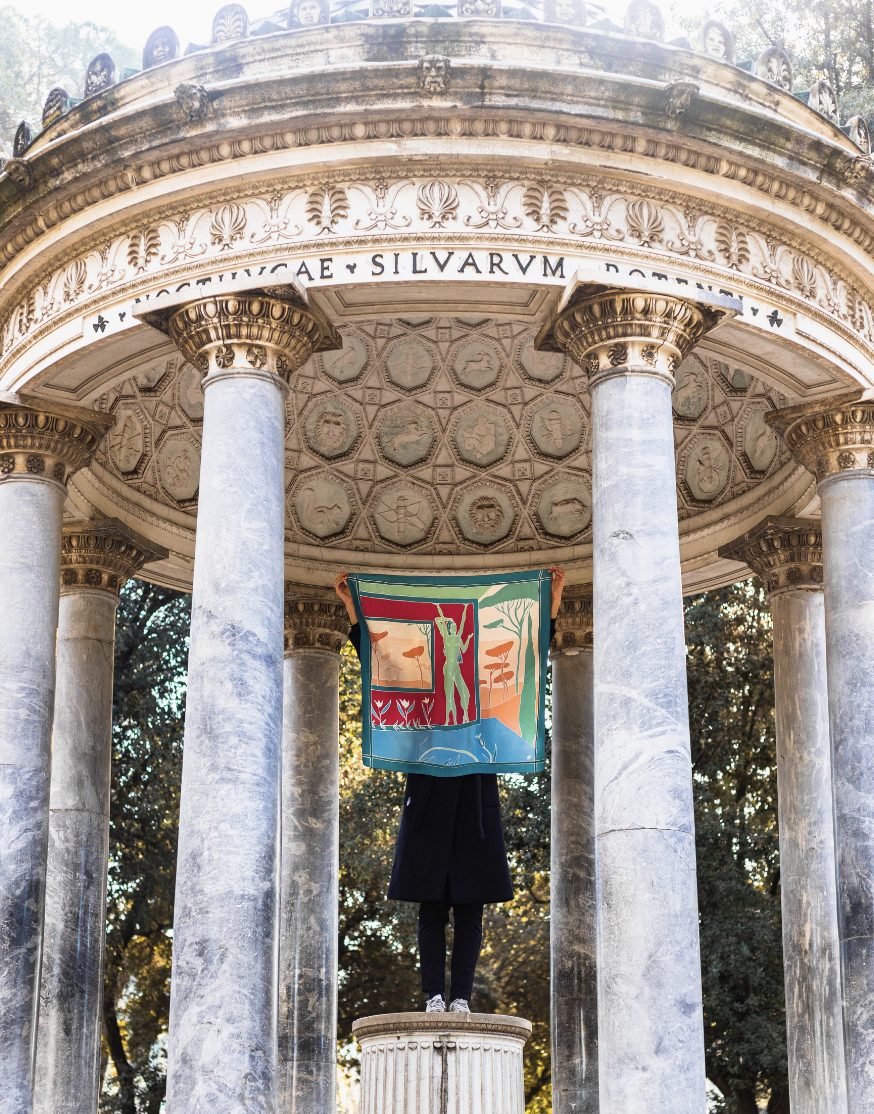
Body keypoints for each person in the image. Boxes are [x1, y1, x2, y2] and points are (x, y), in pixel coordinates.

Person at [335, 567, 566, 1013]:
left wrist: (551, 600)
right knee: (431, 906)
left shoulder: (482, 686)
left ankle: (460, 996)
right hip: (427, 794)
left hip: (474, 797)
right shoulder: (423, 686)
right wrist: (351, 605)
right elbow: (377, 656)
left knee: (470, 904)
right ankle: (434, 996)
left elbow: (529, 653)